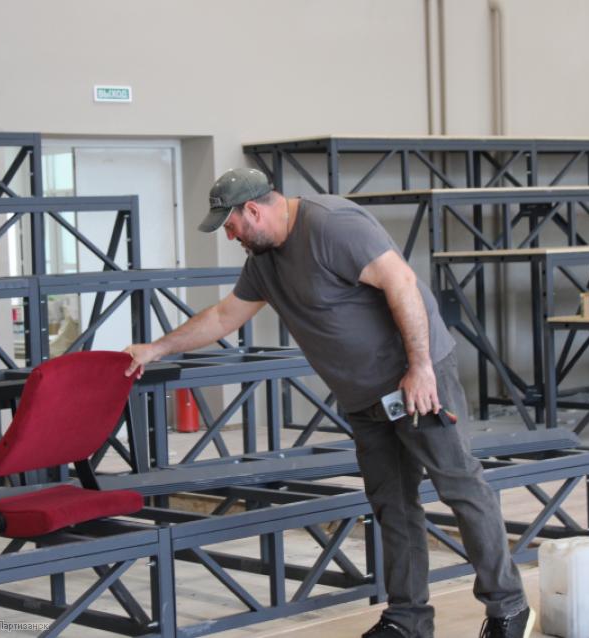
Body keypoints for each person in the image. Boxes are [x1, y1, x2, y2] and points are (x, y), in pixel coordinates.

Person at [124, 167, 534, 638]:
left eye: (231, 226)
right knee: (392, 505)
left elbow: (401, 282)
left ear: (253, 210)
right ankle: (408, 620)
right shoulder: (263, 260)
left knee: (459, 486)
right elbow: (223, 316)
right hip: (364, 396)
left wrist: (420, 367)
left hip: (416, 378)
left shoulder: (332, 225)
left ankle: (508, 607)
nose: (230, 237)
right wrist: (156, 349)